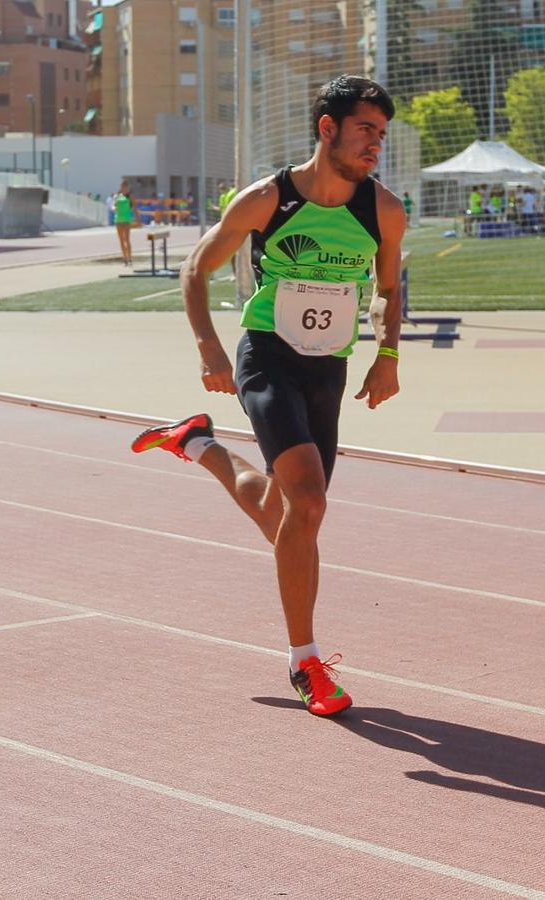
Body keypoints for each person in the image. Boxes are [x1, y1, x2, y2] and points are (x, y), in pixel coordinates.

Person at [129, 75, 405, 718]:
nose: (375, 145)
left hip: (328, 369)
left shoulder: (384, 209)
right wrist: (209, 348)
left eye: (381, 134)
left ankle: (195, 443)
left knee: (289, 515)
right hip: (268, 357)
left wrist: (388, 354)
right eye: (365, 130)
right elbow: (194, 266)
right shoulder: (268, 200)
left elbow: (389, 287)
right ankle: (304, 661)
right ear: (327, 128)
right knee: (308, 500)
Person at [113, 179, 134, 266]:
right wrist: (115, 209)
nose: (123, 188)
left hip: (126, 220)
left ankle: (129, 258)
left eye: (124, 186)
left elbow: (132, 207)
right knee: (121, 240)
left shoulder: (129, 197)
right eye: (122, 186)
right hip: (118, 220)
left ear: (127, 187)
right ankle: (124, 259)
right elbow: (115, 206)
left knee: (127, 239)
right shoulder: (117, 196)